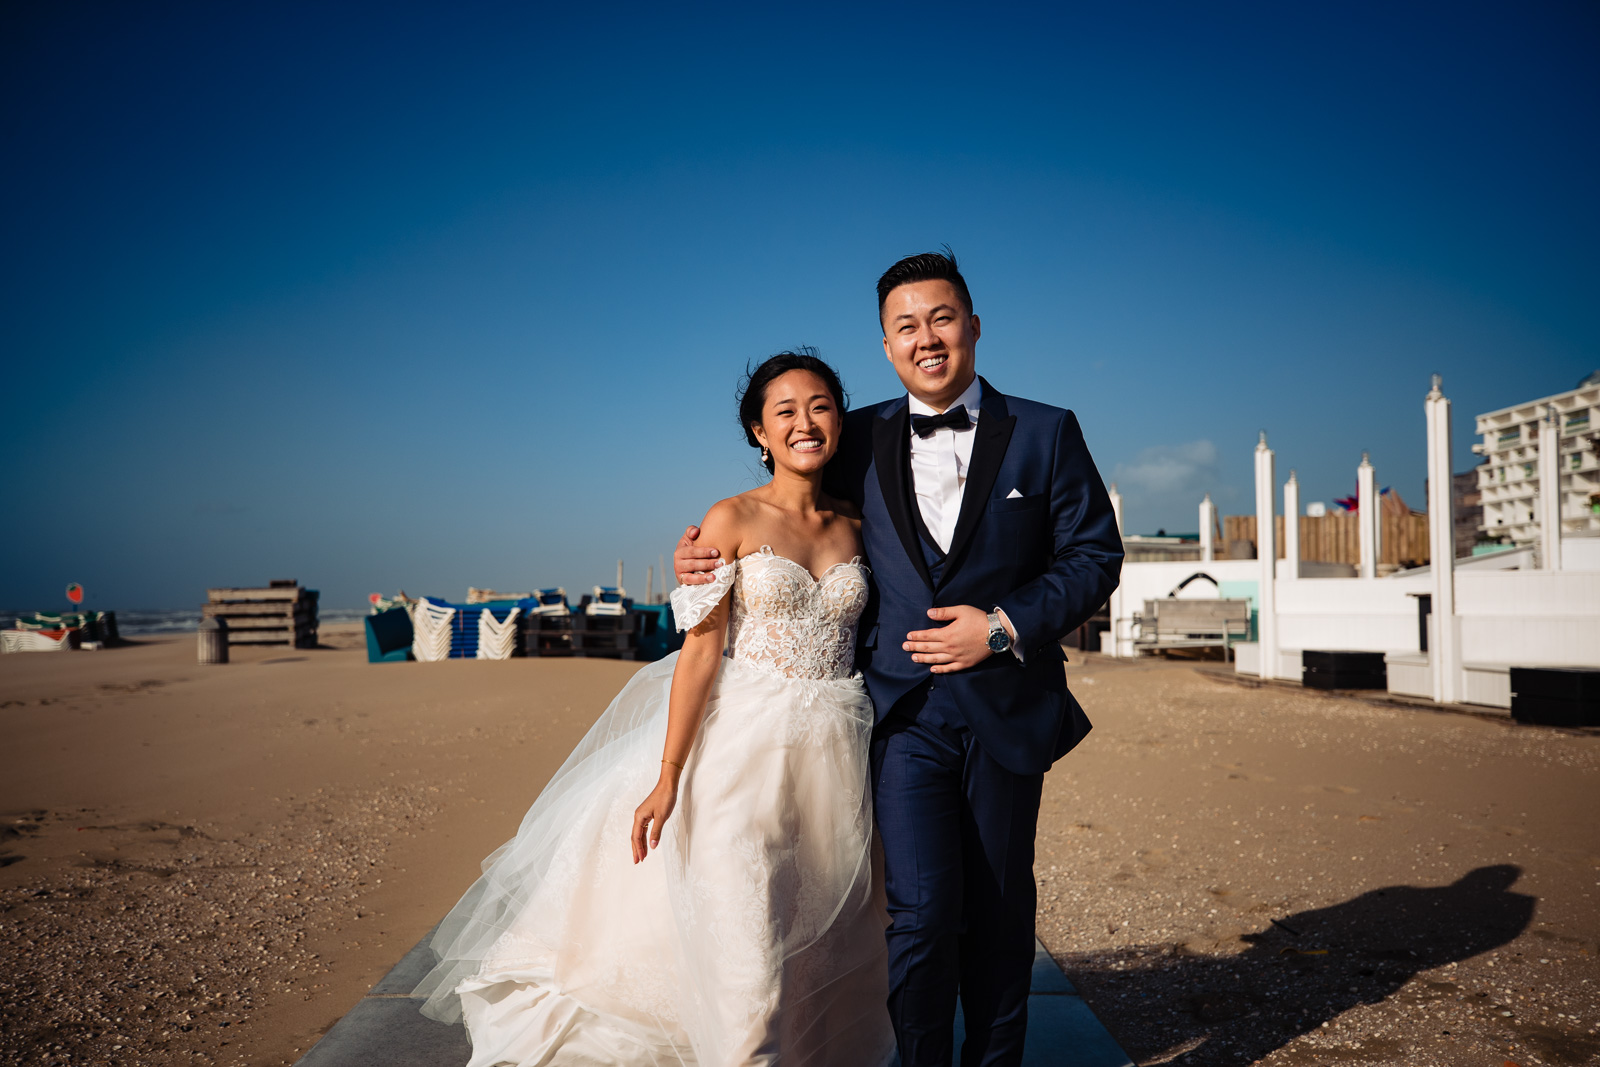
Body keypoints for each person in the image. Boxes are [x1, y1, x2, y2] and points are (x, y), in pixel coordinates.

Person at [676, 250, 1122, 1066]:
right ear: (885, 344)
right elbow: (786, 502)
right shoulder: (860, 435)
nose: (927, 338)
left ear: (974, 326)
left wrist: (999, 625)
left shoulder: (1048, 430)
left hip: (1006, 703)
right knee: (917, 911)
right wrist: (702, 558)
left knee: (997, 906)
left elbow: (1094, 557)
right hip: (896, 713)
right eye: (905, 326)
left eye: (941, 318)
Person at [413, 350, 895, 1066]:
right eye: (784, 410)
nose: (804, 421)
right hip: (741, 750)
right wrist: (668, 774)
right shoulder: (728, 518)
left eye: (820, 404)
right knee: (747, 942)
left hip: (837, 752)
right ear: (758, 432)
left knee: (816, 943)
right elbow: (701, 652)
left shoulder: (858, 524)